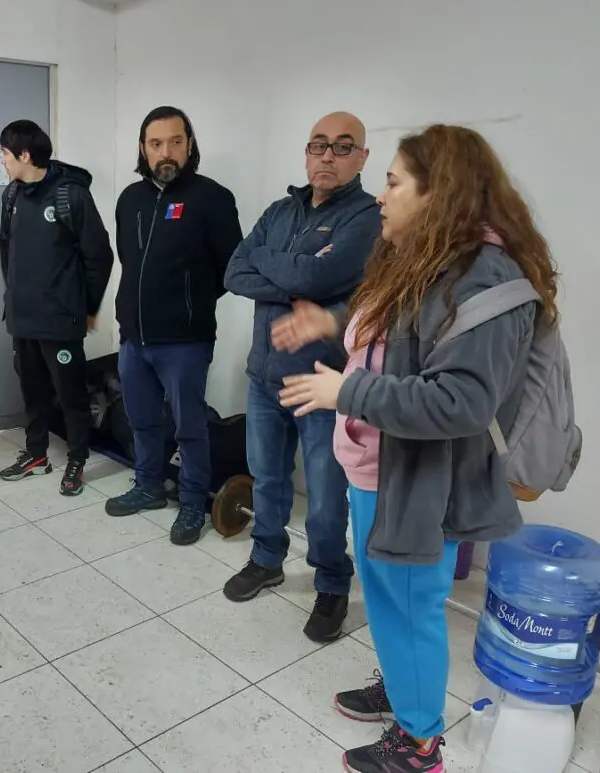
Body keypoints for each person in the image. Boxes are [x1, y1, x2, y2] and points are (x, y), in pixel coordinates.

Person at [276, 124, 554, 772]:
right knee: (393, 599)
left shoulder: (482, 280)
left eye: (395, 181)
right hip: (382, 467)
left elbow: (458, 402)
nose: (381, 194)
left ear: (440, 193)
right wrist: (335, 321)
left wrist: (344, 392)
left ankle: (419, 743)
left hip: (416, 479)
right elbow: (398, 333)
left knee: (410, 604)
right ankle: (403, 689)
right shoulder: (431, 257)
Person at [222, 112, 380, 643]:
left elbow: (311, 274)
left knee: (326, 496)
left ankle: (332, 583)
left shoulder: (365, 217)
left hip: (323, 381)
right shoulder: (280, 210)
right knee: (266, 477)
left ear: (361, 157)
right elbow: (234, 270)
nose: (327, 157)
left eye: (341, 147)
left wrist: (280, 268)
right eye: (318, 146)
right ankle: (267, 558)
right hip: (264, 375)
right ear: (306, 153)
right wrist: (295, 278)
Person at [105, 106, 243, 545]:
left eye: (176, 142)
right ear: (143, 148)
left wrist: (187, 303)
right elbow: (130, 262)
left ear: (190, 145)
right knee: (142, 419)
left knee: (189, 425)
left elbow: (230, 268)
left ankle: (190, 503)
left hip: (185, 340)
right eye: (156, 143)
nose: (166, 152)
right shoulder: (130, 199)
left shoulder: (212, 198)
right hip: (135, 337)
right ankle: (147, 486)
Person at [0, 120, 114, 495]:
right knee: (32, 389)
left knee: (70, 394)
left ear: (24, 155)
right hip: (23, 316)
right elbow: (6, 250)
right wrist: (14, 295)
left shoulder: (70, 196)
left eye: (5, 154)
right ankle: (36, 454)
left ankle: (77, 458)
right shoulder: (11, 195)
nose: (3, 162)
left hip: (60, 320)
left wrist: (88, 306)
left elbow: (100, 256)